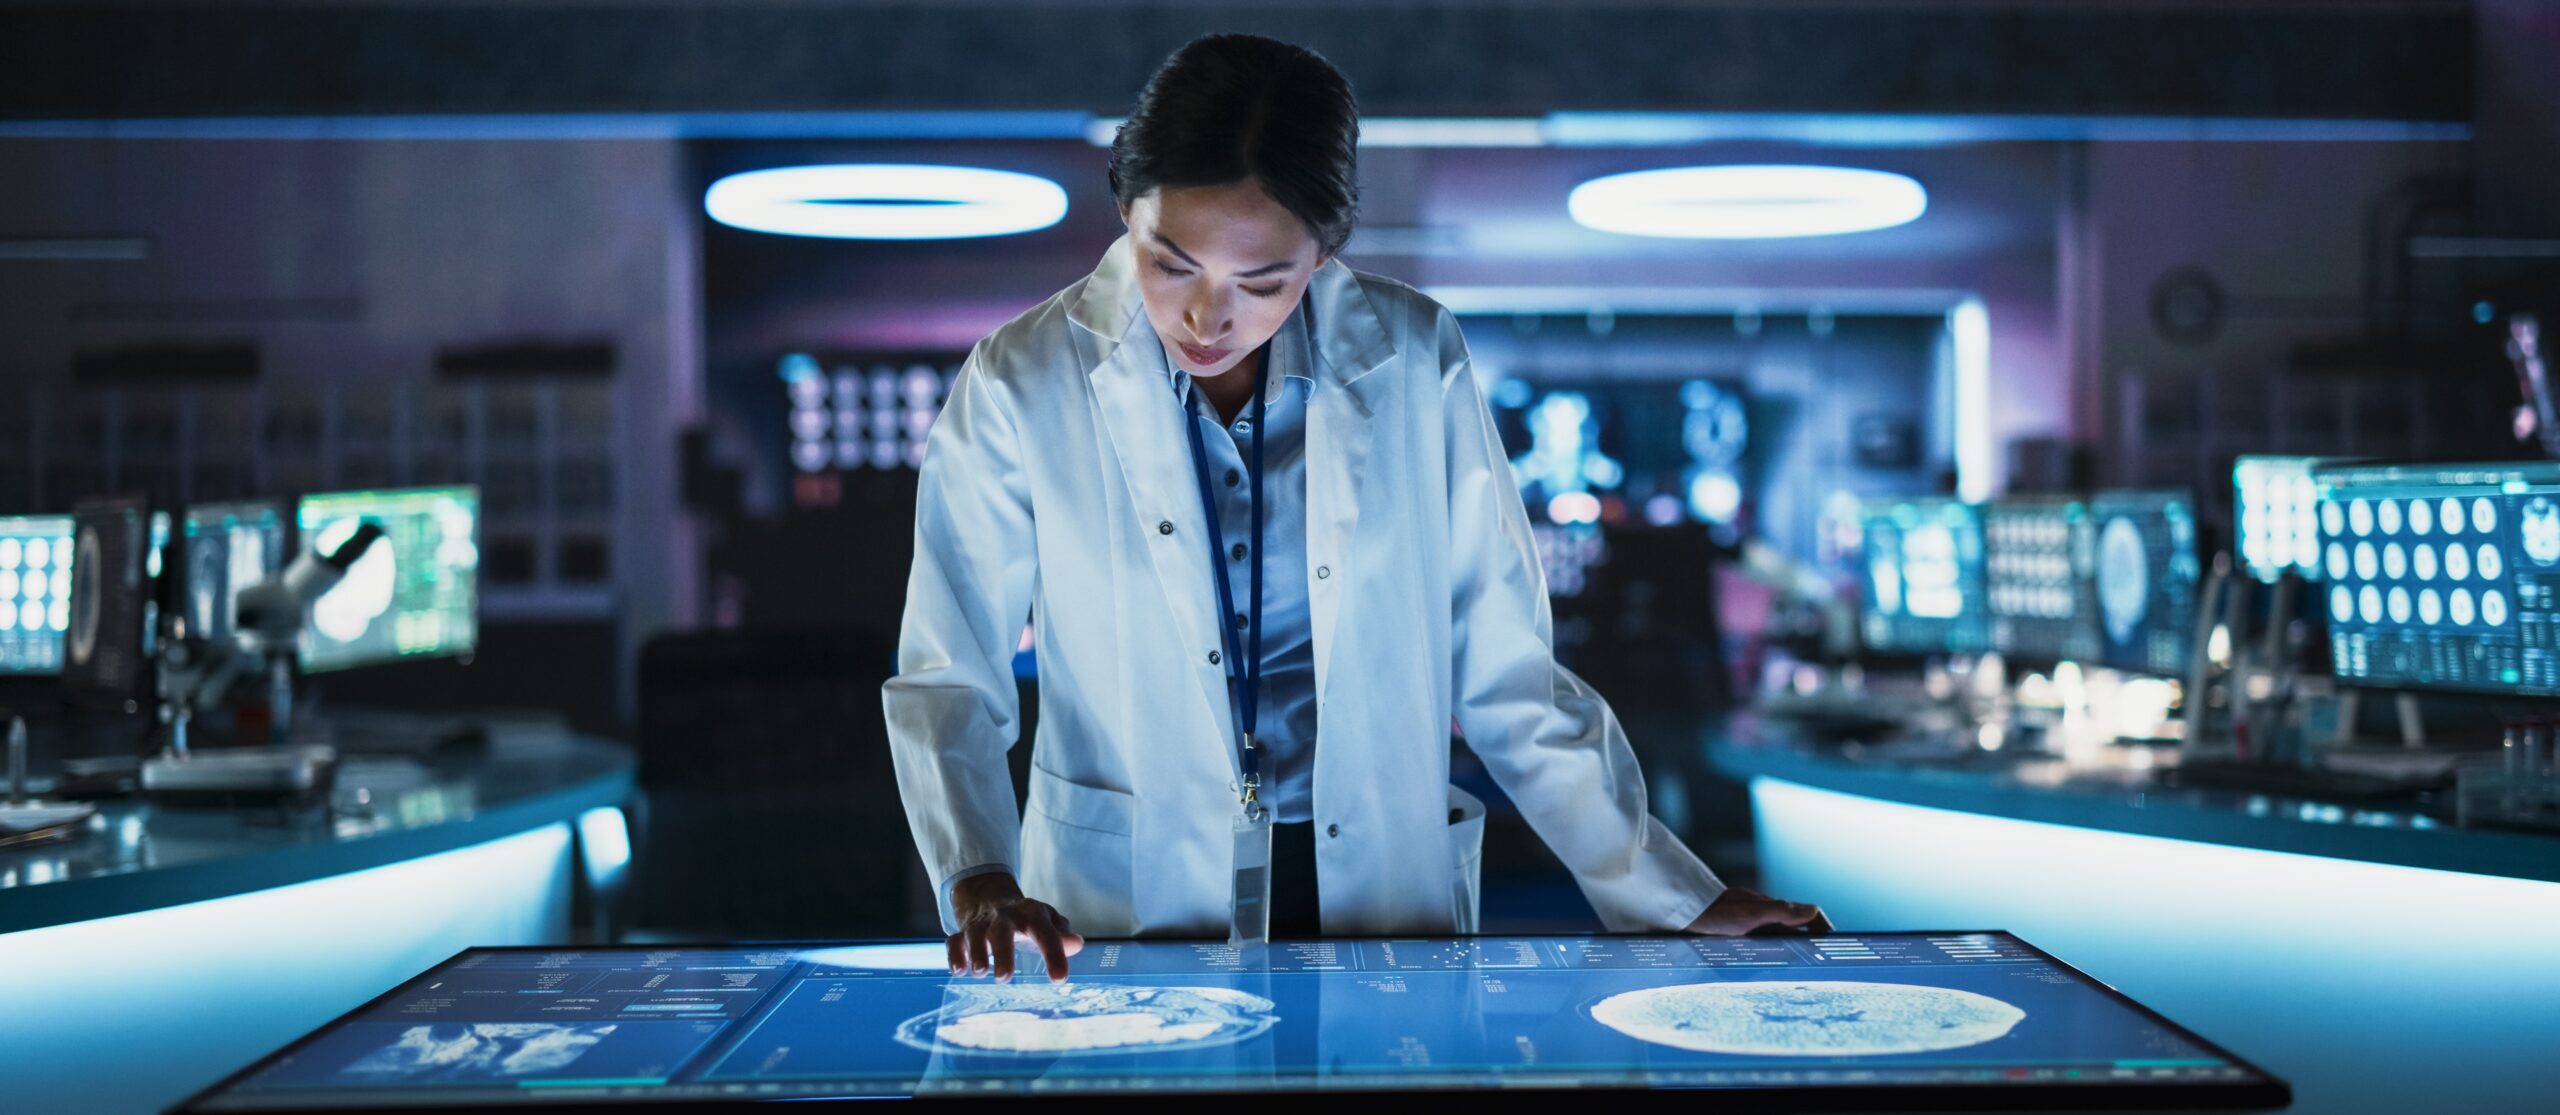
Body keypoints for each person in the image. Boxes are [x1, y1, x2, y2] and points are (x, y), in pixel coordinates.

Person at [884, 32, 1829, 984]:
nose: (1208, 320)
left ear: (1325, 253)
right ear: (1127, 208)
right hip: (1121, 884)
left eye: (1263, 283)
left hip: (1376, 872)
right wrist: (978, 870)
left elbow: (1504, 670)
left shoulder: (1416, 360)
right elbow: (951, 670)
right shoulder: (1023, 379)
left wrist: (1676, 895)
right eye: (1171, 263)